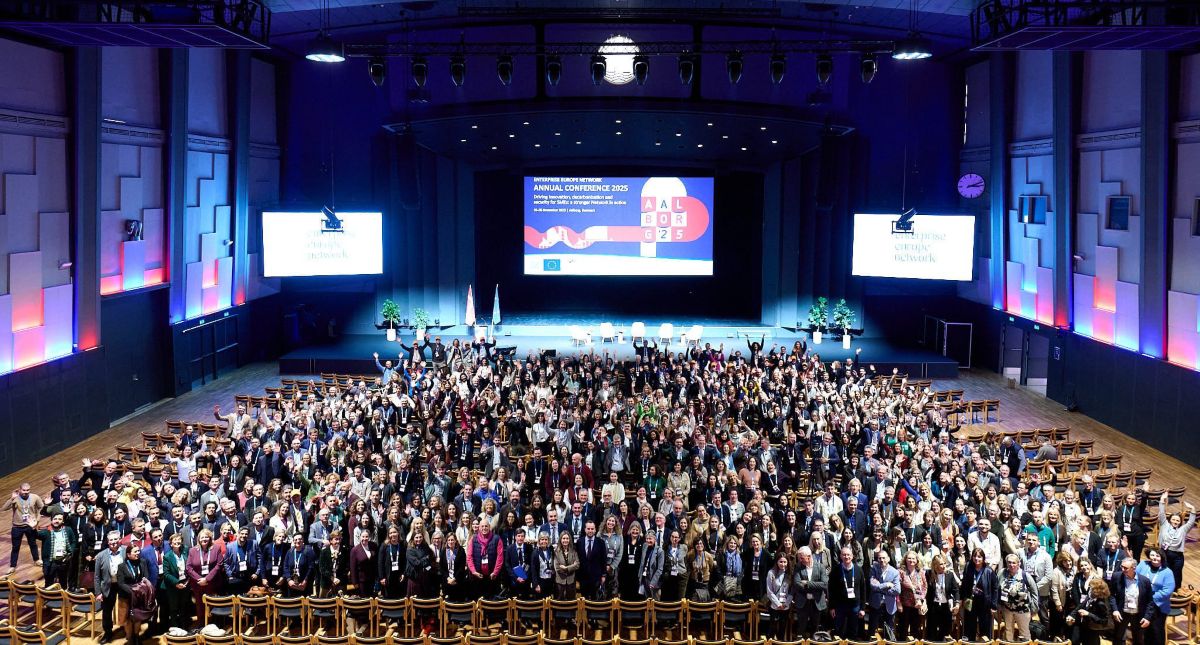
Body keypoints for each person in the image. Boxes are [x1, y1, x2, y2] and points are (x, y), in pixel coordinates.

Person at [1135, 548, 1175, 645]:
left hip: (1158, 606)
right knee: (1145, 631)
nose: (1154, 558)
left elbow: (1167, 590)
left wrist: (1151, 597)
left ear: (1162, 557)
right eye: (1152, 555)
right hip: (1143, 603)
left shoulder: (1167, 572)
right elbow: (1135, 577)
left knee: (1156, 631)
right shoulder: (1143, 564)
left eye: (1157, 556)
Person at [116, 541, 153, 645]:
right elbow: (121, 583)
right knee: (127, 618)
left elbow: (146, 577)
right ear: (128, 554)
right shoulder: (122, 566)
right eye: (135, 552)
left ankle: (136, 636)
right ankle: (130, 638)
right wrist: (133, 591)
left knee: (137, 617)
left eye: (138, 551)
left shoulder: (143, 562)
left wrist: (140, 588)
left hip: (139, 595)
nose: (138, 553)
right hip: (126, 596)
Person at [1155, 492, 1195, 588]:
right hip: (1164, 553)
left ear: (1180, 522)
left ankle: (1176, 591)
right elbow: (1161, 513)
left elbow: (1191, 522)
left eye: (1178, 520)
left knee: (1176, 575)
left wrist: (1192, 509)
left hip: (1177, 557)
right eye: (1173, 519)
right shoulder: (1164, 524)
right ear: (1170, 520)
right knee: (1164, 573)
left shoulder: (1183, 529)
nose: (1175, 522)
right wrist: (1162, 500)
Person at [4, 483, 45, 575]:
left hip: (30, 526)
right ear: (20, 490)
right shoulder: (15, 498)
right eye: (24, 490)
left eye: (28, 490)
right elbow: (4, 508)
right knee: (15, 547)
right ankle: (12, 566)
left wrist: (37, 519)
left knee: (33, 544)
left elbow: (41, 507)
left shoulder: (35, 497)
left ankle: (36, 560)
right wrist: (11, 499)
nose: (26, 492)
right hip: (17, 527)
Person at [997, 553, 1038, 640]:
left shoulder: (1025, 575)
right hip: (1007, 609)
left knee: (1024, 632)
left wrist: (1034, 608)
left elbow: (1034, 592)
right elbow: (997, 588)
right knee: (1008, 631)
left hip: (1022, 610)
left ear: (1018, 564)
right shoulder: (1002, 573)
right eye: (1009, 562)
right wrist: (998, 605)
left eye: (1014, 563)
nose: (1011, 565)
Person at [829, 546, 867, 638]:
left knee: (853, 631)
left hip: (855, 606)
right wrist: (832, 607)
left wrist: (862, 608)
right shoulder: (835, 570)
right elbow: (831, 590)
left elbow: (863, 590)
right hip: (840, 606)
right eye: (844, 555)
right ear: (840, 556)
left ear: (852, 556)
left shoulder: (859, 570)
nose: (846, 557)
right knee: (839, 631)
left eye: (848, 555)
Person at [960, 547, 998, 639]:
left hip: (984, 603)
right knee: (969, 627)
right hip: (970, 602)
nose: (977, 559)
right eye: (975, 556)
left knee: (985, 628)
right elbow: (964, 584)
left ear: (983, 558)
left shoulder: (989, 571)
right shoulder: (968, 568)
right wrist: (962, 599)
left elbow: (995, 588)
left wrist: (993, 606)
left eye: (979, 557)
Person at [94, 531, 124, 644]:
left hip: (123, 585)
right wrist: (98, 593)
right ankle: (108, 632)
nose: (113, 542)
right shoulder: (101, 555)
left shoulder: (126, 551)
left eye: (116, 539)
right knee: (106, 611)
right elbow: (97, 576)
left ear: (120, 539)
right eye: (111, 540)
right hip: (108, 585)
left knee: (126, 607)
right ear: (108, 542)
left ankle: (127, 628)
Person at [792, 546, 827, 638]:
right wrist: (816, 586)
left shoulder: (820, 567)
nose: (800, 560)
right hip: (803, 602)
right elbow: (797, 584)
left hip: (816, 603)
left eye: (801, 558)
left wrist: (808, 583)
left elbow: (824, 585)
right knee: (801, 628)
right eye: (799, 558)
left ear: (809, 556)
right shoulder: (798, 567)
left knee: (815, 628)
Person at [924, 554, 959, 640]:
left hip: (945, 606)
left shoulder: (949, 574)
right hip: (933, 606)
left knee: (945, 631)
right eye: (941, 564)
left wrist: (957, 603)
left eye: (944, 563)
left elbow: (956, 590)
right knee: (931, 631)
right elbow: (925, 589)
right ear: (935, 565)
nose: (943, 566)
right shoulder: (928, 574)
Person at [867, 549, 901, 639]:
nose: (882, 560)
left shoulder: (895, 572)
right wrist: (887, 585)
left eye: (884, 558)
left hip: (889, 604)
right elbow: (873, 585)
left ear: (888, 559)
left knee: (889, 630)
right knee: (872, 629)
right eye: (879, 558)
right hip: (876, 603)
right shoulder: (873, 569)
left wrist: (880, 588)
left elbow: (897, 590)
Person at [160, 533, 189, 631]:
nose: (177, 542)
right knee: (174, 609)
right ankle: (175, 629)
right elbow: (166, 574)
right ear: (171, 544)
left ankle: (184, 628)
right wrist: (176, 583)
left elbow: (189, 567)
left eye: (179, 539)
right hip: (173, 586)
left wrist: (187, 580)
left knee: (184, 607)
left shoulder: (185, 552)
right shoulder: (167, 556)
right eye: (174, 540)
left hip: (185, 584)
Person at [1077, 577, 1115, 645]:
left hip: (1094, 630)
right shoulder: (1094, 598)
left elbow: (1104, 620)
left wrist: (1088, 614)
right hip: (1089, 628)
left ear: (1097, 590)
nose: (1089, 590)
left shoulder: (1101, 603)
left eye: (1091, 588)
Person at [764, 554, 792, 638]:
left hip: (785, 605)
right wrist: (778, 604)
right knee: (772, 628)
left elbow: (792, 591)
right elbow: (769, 591)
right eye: (781, 562)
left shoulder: (790, 573)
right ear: (777, 562)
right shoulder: (771, 573)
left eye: (784, 562)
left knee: (782, 629)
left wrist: (786, 603)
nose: (783, 564)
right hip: (774, 605)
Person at [553, 529, 580, 599]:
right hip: (560, 581)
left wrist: (566, 568)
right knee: (559, 601)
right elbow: (557, 568)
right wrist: (572, 566)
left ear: (570, 540)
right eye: (564, 538)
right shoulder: (556, 551)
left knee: (571, 601)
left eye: (567, 538)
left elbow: (577, 565)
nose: (565, 540)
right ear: (560, 539)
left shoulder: (573, 550)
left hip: (571, 581)